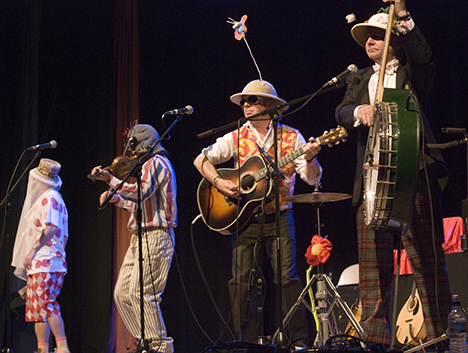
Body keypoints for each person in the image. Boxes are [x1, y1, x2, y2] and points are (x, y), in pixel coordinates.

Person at [335, 0, 450, 347]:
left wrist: (403, 16)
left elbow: (425, 61)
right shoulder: (359, 78)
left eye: (377, 37)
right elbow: (341, 112)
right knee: (373, 273)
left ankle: (440, 337)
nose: (369, 43)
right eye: (366, 37)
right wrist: (359, 109)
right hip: (372, 182)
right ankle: (375, 342)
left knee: (427, 264)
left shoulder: (410, 74)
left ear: (394, 42)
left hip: (412, 177)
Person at [194, 79, 322, 345]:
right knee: (240, 281)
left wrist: (309, 158)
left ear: (271, 106)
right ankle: (246, 342)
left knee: (287, 278)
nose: (245, 106)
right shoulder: (237, 135)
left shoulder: (291, 137)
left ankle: (298, 341)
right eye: (243, 101)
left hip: (280, 216)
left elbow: (311, 179)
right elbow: (200, 159)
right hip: (245, 218)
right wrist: (220, 182)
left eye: (251, 100)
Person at [91, 124, 177, 353]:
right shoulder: (145, 166)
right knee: (122, 293)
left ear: (146, 144)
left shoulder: (157, 163)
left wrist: (110, 179)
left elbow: (142, 192)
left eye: (134, 145)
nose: (131, 151)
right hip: (139, 237)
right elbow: (137, 202)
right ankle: (147, 341)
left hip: (157, 235)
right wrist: (115, 199)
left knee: (145, 293)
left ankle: (160, 346)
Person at [11, 158, 70, 353]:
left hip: (47, 262)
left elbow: (51, 228)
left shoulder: (50, 198)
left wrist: (33, 250)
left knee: (47, 304)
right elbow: (65, 235)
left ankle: (62, 347)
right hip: (44, 263)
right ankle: (42, 349)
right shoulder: (51, 198)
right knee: (38, 311)